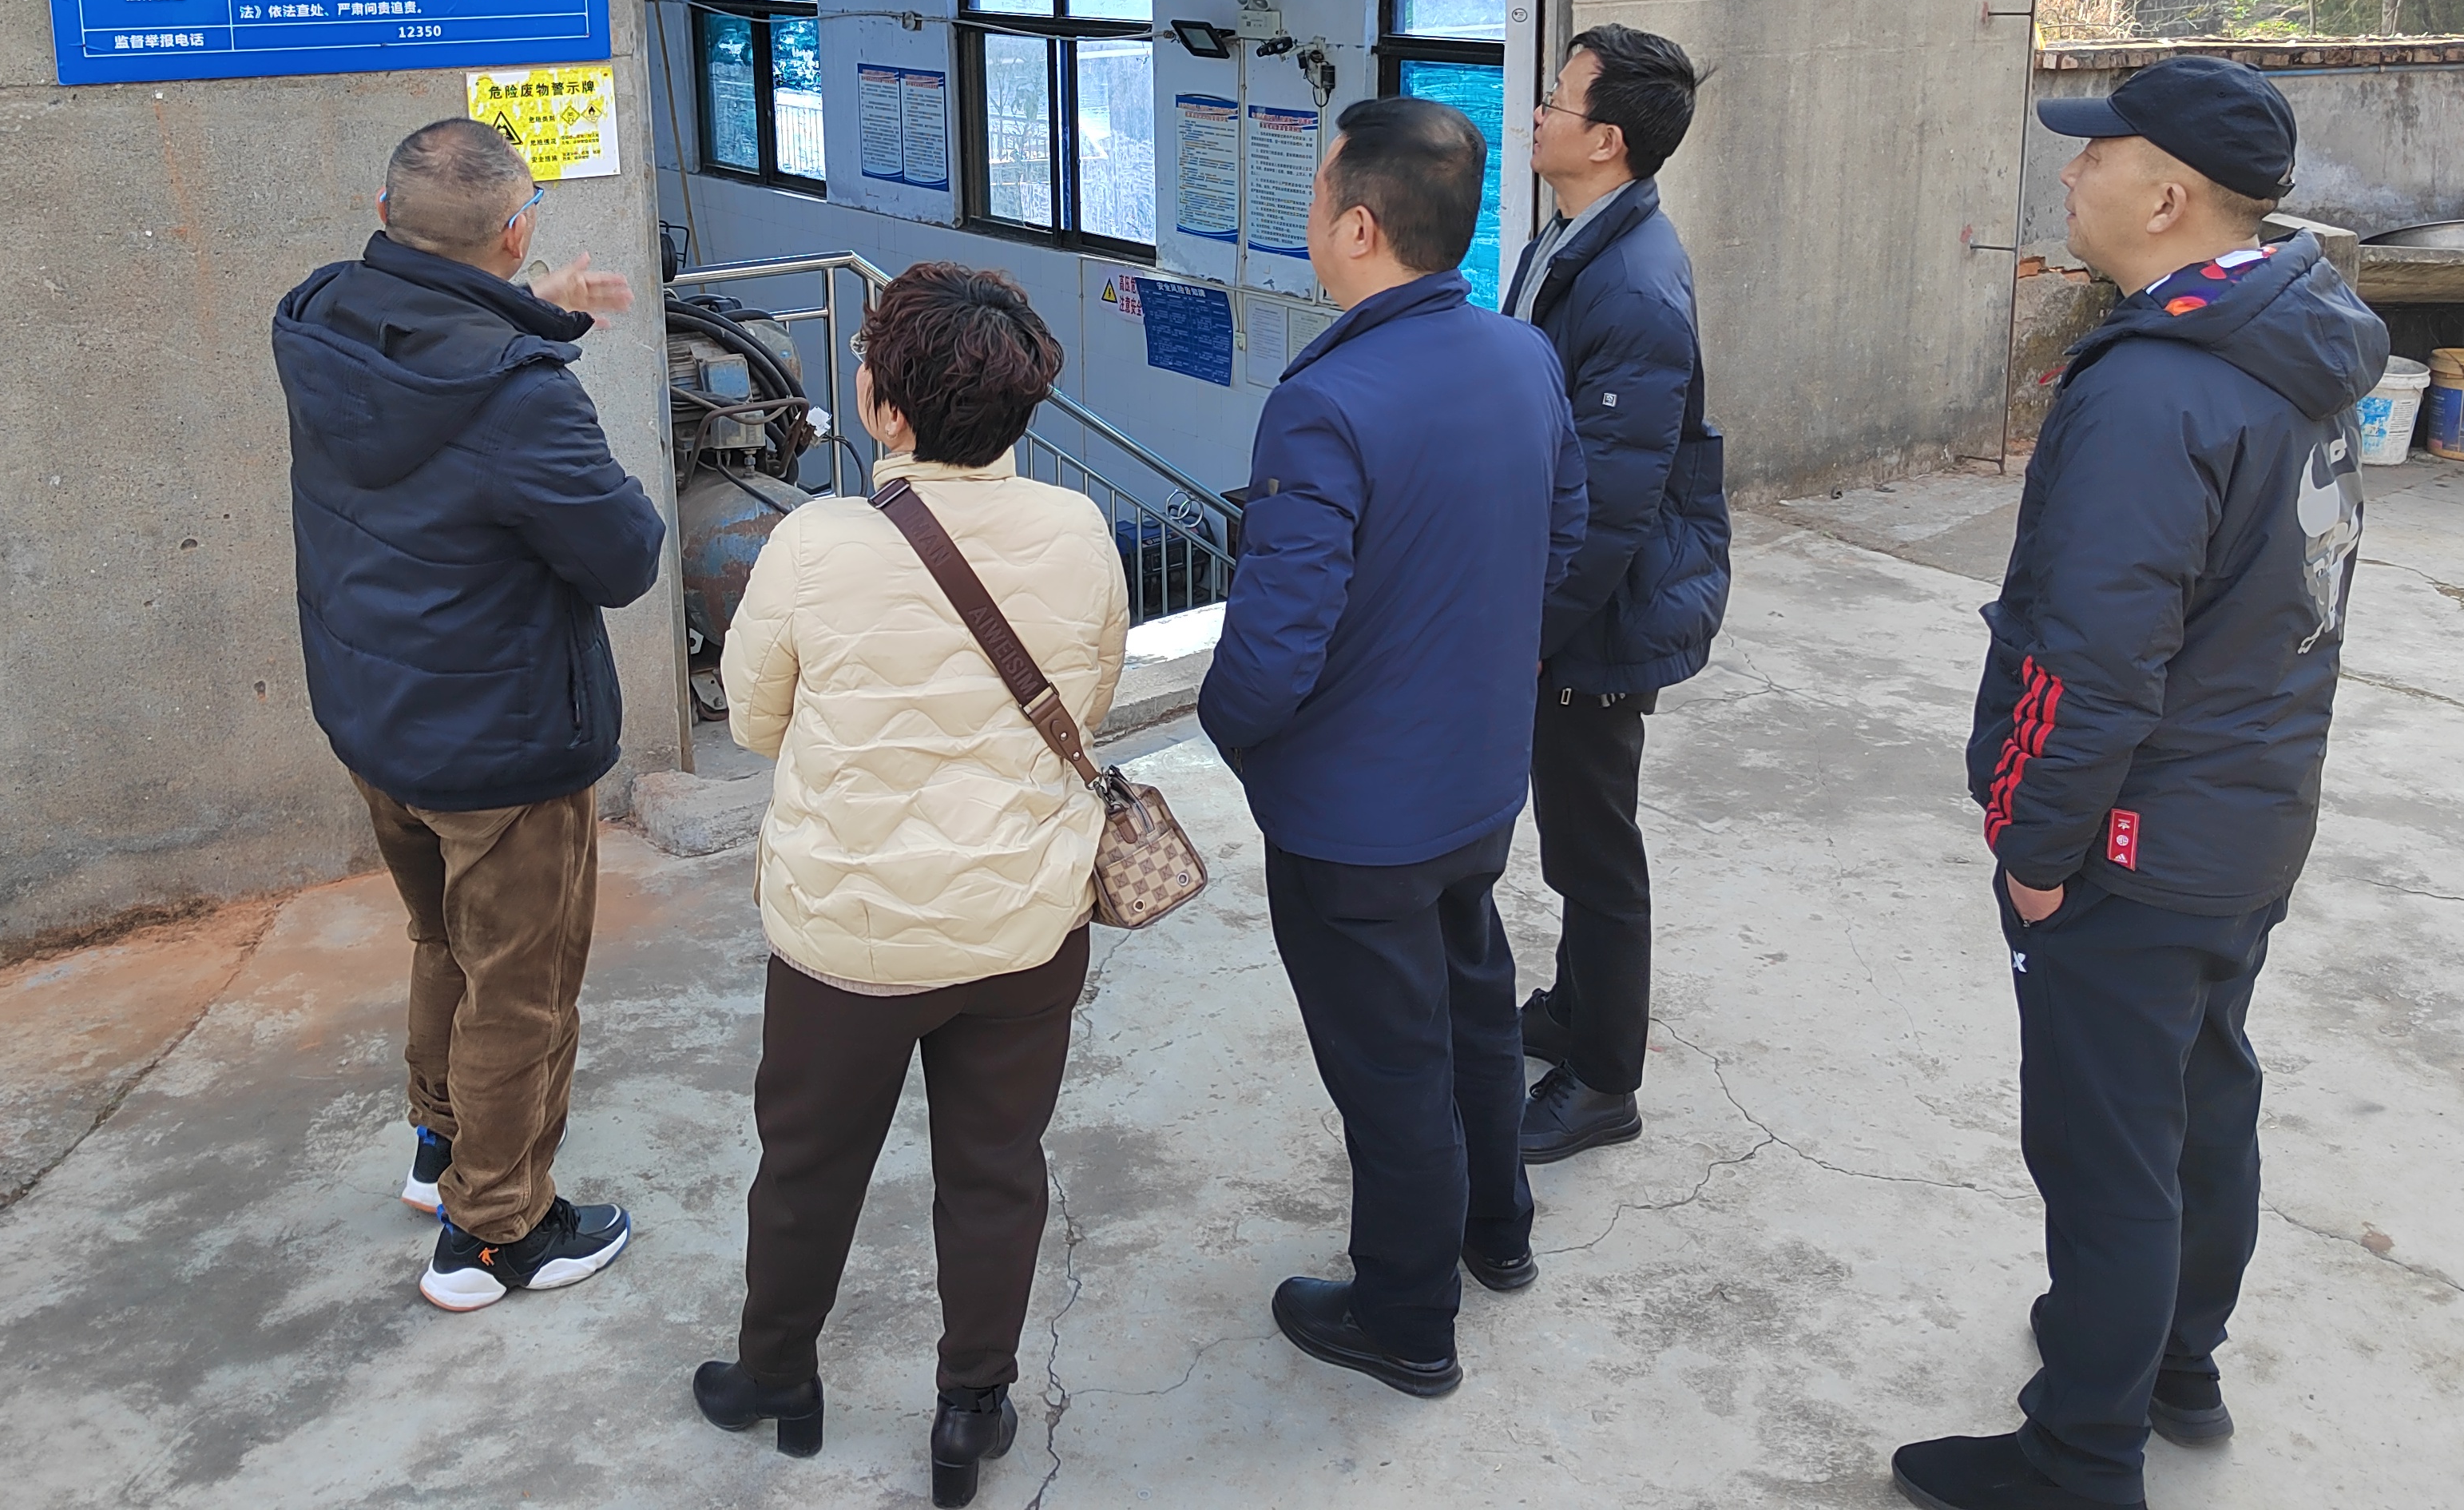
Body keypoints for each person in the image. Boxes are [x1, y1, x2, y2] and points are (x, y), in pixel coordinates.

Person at [1894, 57, 2385, 1510]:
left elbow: (2094, 658)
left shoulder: (2160, 388)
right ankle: (2176, 1362)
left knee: (2107, 1148)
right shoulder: (2291, 341)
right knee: (2202, 1095)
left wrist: (2037, 843)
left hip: (2137, 837)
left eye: (2097, 152)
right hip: (2245, 817)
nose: (2071, 172)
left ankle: (2079, 1457)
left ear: (2168, 197)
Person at [692, 264, 1124, 1510]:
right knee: (997, 1166)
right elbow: (1086, 706)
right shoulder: (1080, 533)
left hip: (849, 935)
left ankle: (778, 1377)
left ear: (884, 406)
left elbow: (755, 724)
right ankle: (971, 1409)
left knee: (806, 1167)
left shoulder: (814, 542)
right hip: (1023, 923)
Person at [1200, 97, 1587, 1399]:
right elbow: (1565, 535)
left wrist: (1235, 738)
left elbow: (1274, 645)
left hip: (1352, 816)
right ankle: (1498, 1231)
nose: (1312, 214)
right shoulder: (1519, 355)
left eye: (1321, 196)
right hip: (1476, 781)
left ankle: (1408, 1319)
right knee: (1473, 1007)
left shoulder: (1326, 402)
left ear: (1359, 226)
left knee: (1390, 1071)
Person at [270, 117, 664, 1313]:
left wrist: (532, 309)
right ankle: (496, 1232)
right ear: (517, 228)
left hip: (374, 712)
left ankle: (440, 1145)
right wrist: (536, 336)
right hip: (502, 745)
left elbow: (428, 366)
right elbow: (625, 557)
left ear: (383, 215)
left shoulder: (321, 320)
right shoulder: (522, 402)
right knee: (523, 988)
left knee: (444, 940)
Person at [1502, 25, 1732, 1163]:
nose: (1538, 112)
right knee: (1573, 833)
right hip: (1570, 599)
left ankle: (1604, 1080)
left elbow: (1612, 504)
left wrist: (1533, 635)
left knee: (1595, 848)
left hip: (1600, 610)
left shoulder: (1634, 287)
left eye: (1558, 98)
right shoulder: (1573, 235)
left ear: (1607, 139)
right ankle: (1573, 1008)